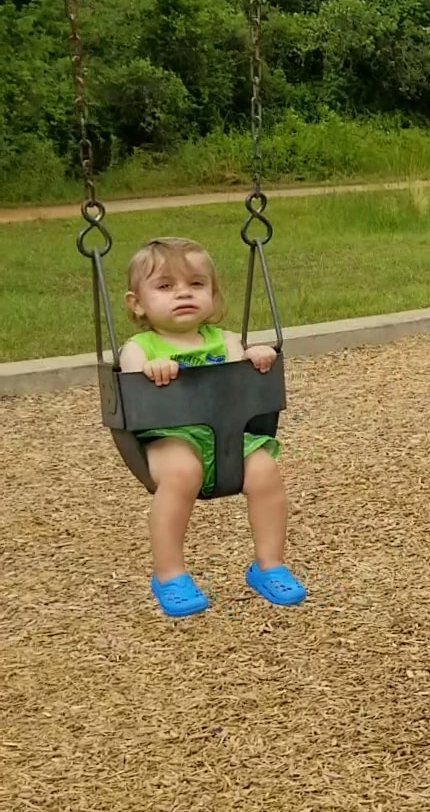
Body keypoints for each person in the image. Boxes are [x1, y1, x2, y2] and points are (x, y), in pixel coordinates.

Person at [116, 236, 307, 617]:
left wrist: (255, 358)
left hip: (226, 435)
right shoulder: (141, 348)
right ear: (137, 303)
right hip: (170, 438)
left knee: (266, 471)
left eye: (196, 284)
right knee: (183, 471)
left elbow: (240, 373)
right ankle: (169, 573)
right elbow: (132, 378)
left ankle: (269, 564)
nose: (182, 294)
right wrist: (150, 371)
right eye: (166, 286)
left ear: (214, 295)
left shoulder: (226, 340)